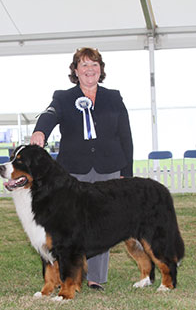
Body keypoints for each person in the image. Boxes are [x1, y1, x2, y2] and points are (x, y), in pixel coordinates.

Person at [30, 47, 133, 291]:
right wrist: (40, 131)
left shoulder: (114, 97)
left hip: (109, 166)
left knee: (102, 222)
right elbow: (50, 114)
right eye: (84, 65)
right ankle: (64, 275)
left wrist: (126, 172)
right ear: (75, 70)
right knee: (65, 226)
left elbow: (125, 136)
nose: (90, 69)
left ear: (101, 70)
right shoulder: (63, 97)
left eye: (94, 64)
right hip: (73, 170)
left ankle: (96, 277)